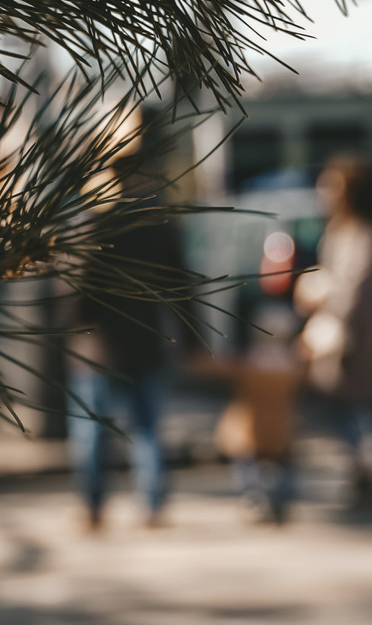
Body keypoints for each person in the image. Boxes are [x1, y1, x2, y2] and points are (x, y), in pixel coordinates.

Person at [68, 162, 187, 531]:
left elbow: (78, 290)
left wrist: (69, 326)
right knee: (146, 427)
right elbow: (182, 285)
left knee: (93, 431)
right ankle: (152, 505)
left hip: (97, 346)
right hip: (143, 340)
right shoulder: (156, 221)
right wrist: (192, 338)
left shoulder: (94, 223)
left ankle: (93, 506)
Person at [295, 153, 372, 511]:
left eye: (332, 187)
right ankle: (370, 469)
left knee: (370, 402)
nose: (325, 194)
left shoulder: (367, 233)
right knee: (356, 403)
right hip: (360, 327)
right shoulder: (340, 231)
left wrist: (332, 329)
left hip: (367, 331)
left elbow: (355, 289)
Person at [201, 302, 302, 524]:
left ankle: (252, 498)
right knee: (283, 463)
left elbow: (219, 369)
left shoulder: (248, 360)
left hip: (248, 427)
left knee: (246, 462)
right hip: (280, 427)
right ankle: (280, 498)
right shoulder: (293, 362)